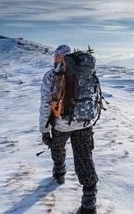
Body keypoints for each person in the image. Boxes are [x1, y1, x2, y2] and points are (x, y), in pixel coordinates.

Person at [39, 45, 98, 214]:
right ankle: (89, 204)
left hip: (61, 124)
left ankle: (59, 172)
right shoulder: (86, 72)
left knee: (57, 147)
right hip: (84, 123)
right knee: (85, 158)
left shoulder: (50, 76)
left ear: (58, 58)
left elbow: (45, 105)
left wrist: (44, 130)